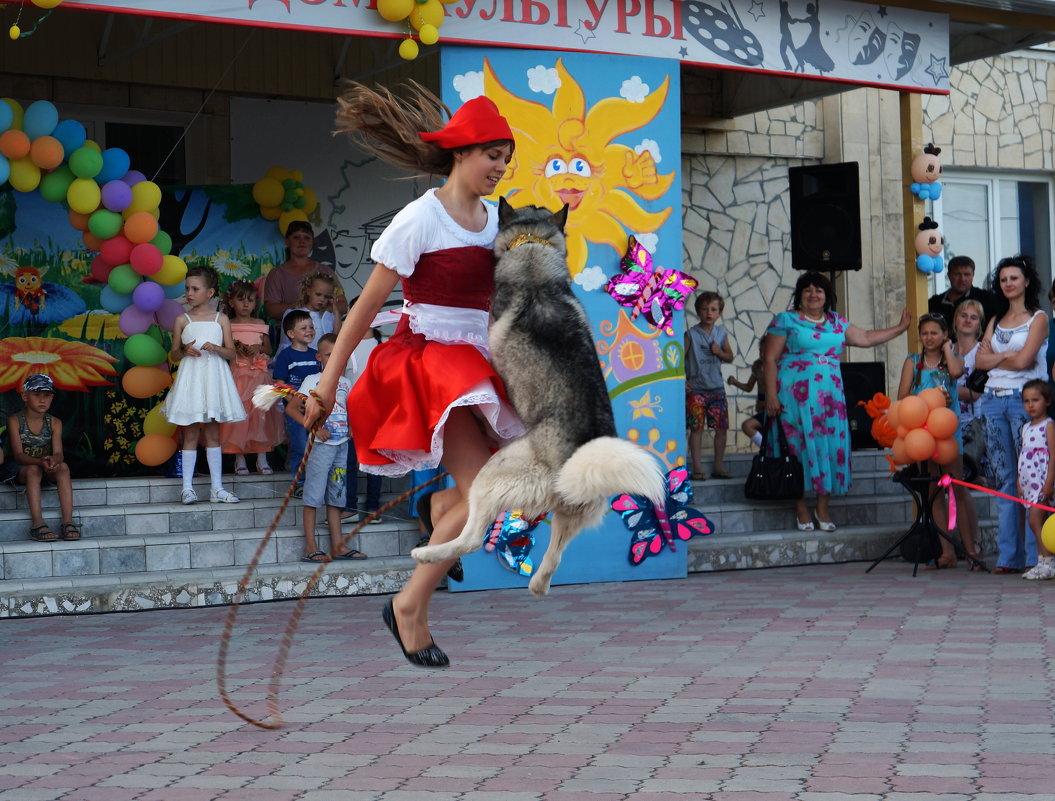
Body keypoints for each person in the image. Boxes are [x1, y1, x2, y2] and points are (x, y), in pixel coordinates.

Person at [304, 86, 524, 668]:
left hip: (483, 360)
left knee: (491, 490)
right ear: (460, 154)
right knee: (488, 494)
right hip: (433, 365)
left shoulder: (499, 219)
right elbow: (361, 309)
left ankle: (438, 516)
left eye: (506, 157)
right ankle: (408, 605)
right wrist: (326, 384)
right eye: (492, 155)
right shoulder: (420, 218)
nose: (500, 167)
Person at [764, 271, 910, 532]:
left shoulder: (836, 322)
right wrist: (771, 396)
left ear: (826, 295)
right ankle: (800, 507)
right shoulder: (786, 320)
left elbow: (865, 338)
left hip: (829, 399)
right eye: (807, 289)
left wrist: (899, 328)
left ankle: (822, 508)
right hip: (793, 399)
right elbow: (770, 359)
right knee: (796, 449)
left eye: (818, 290)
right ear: (799, 295)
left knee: (830, 448)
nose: (813, 294)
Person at [975, 255, 1049, 574]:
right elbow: (979, 363)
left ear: (1027, 281)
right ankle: (1009, 557)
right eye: (1003, 279)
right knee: (1003, 478)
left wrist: (996, 356)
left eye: (1014, 278)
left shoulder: (1039, 318)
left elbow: (1025, 363)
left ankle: (1037, 556)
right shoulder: (994, 320)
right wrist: (1007, 355)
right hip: (993, 401)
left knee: (1030, 481)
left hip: (1025, 402)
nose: (1008, 284)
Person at [896, 313, 983, 571]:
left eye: (935, 332)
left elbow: (958, 373)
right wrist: (922, 400)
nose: (929, 337)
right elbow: (902, 395)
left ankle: (971, 549)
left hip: (947, 432)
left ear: (945, 335)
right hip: (922, 431)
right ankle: (947, 552)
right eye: (925, 333)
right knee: (934, 490)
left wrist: (948, 347)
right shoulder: (913, 362)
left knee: (957, 488)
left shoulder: (951, 360)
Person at [163, 265, 245, 504]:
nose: (189, 293)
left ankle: (216, 488)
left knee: (212, 432)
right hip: (191, 380)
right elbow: (173, 355)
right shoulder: (181, 319)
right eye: (187, 288)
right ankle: (187, 488)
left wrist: (217, 348)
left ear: (209, 293)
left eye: (195, 289)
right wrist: (183, 350)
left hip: (213, 379)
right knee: (190, 432)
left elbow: (232, 354)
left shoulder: (222, 319)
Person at [286, 334, 367, 563]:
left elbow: (349, 408)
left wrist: (351, 426)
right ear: (319, 357)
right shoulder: (313, 380)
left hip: (342, 447)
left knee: (337, 497)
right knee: (313, 496)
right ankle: (310, 546)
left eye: (338, 355)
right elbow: (292, 408)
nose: (335, 359)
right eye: (330, 355)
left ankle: (338, 545)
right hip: (321, 448)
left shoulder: (346, 383)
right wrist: (313, 428)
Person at [219, 279, 284, 476]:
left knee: (260, 415)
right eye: (241, 299)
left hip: (258, 376)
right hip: (237, 375)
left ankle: (261, 457)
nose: (246, 304)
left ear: (256, 303)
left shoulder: (260, 324)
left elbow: (268, 348)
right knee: (240, 416)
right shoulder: (227, 324)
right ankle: (240, 459)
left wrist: (258, 348)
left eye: (251, 300)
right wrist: (236, 347)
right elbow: (224, 348)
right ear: (231, 302)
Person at [9, 373, 79, 542]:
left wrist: (54, 460)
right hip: (24, 469)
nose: (42, 400)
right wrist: (39, 462)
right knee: (33, 470)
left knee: (63, 468)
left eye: (47, 396)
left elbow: (59, 452)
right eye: (37, 395)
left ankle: (68, 521)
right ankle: (37, 523)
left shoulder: (54, 422)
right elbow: (18, 456)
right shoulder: (15, 420)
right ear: (25, 396)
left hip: (46, 466)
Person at [685, 291, 734, 480]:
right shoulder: (690, 334)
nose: (709, 313)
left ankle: (718, 466)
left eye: (713, 309)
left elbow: (730, 356)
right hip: (696, 390)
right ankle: (697, 468)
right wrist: (683, 381)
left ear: (719, 313)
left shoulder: (721, 334)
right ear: (697, 311)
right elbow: (677, 359)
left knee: (721, 429)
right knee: (696, 429)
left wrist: (719, 352)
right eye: (704, 309)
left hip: (716, 389)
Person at [271, 309, 319, 493]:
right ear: (290, 334)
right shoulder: (286, 356)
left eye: (311, 327)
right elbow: (280, 384)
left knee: (315, 447)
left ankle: (315, 482)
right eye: (304, 328)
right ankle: (299, 483)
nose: (309, 330)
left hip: (316, 409)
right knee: (299, 446)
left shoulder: (317, 355)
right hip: (296, 411)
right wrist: (294, 402)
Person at [263, 221, 345, 324]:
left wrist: (317, 310)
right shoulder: (277, 274)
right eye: (296, 237)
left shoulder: (325, 270)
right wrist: (307, 308)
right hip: (291, 336)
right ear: (287, 241)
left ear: (312, 242)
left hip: (325, 335)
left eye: (307, 238)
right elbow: (272, 310)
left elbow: (342, 305)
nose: (302, 241)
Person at [1019, 379, 1055, 580]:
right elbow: (1023, 456)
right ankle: (1042, 562)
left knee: (1034, 520)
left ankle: (1048, 561)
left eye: (1036, 400)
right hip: (1029, 484)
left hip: (1042, 483)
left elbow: (1053, 454)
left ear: (1047, 401)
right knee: (1035, 521)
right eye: (1026, 401)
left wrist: (1049, 483)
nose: (1030, 405)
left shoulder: (1048, 426)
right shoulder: (1025, 427)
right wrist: (1019, 482)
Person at [927, 255, 997, 336]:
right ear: (949, 275)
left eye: (966, 274)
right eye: (957, 274)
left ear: (973, 275)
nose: (962, 279)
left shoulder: (987, 299)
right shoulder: (934, 302)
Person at [278, 271, 343, 352]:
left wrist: (336, 310)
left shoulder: (330, 316)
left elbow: (335, 339)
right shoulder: (294, 314)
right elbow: (285, 343)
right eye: (318, 294)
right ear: (308, 291)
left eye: (326, 296)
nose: (322, 299)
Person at [727, 333, 768, 448]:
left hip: (770, 404)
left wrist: (767, 401)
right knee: (762, 431)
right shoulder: (758, 365)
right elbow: (749, 387)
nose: (762, 354)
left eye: (766, 351)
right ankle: (766, 451)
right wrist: (735, 382)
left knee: (748, 426)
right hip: (761, 404)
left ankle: (765, 448)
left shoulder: (777, 366)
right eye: (761, 351)